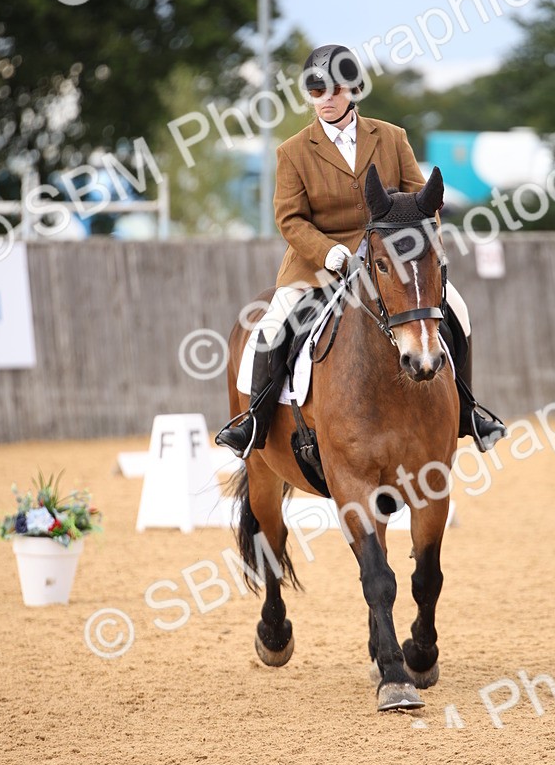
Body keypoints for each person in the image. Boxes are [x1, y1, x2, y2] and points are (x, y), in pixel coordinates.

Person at [216, 44, 505, 458]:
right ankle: (255, 421)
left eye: (334, 90)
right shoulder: (293, 152)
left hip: (392, 263)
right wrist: (331, 254)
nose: (326, 100)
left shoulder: (391, 137)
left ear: (352, 89)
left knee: (456, 307)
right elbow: (290, 220)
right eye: (316, 92)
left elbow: (423, 202)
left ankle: (468, 411)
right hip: (318, 267)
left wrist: (422, 248)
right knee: (272, 323)